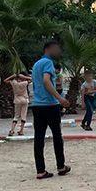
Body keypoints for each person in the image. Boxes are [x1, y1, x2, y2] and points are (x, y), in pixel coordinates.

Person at [30, 40, 71, 179]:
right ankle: (61, 166)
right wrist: (60, 99)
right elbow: (46, 81)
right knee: (57, 136)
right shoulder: (48, 63)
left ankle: (40, 170)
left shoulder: (36, 64)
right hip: (50, 105)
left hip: (36, 105)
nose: (58, 51)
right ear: (49, 49)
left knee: (39, 138)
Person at [5, 72, 32, 136]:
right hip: (25, 100)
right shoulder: (25, 83)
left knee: (16, 116)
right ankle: (21, 131)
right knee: (23, 115)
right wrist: (24, 77)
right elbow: (31, 79)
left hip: (17, 100)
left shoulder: (14, 82)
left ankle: (12, 130)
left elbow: (5, 80)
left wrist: (13, 76)